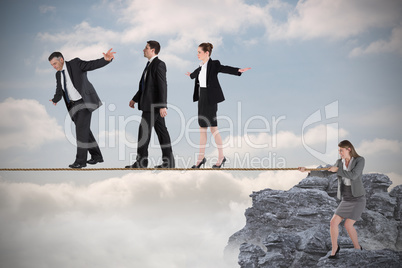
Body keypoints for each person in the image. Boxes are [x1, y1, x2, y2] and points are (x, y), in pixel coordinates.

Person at [185, 43, 251, 168]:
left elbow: (224, 68)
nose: (197, 54)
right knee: (202, 129)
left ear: (207, 53)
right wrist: (191, 75)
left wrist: (238, 70)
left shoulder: (214, 64)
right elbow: (195, 75)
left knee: (213, 129)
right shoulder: (200, 67)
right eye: (197, 52)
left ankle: (221, 157)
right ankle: (200, 158)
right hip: (201, 99)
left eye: (199, 52)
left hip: (211, 99)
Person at [49, 48, 116, 168]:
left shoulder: (75, 64)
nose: (53, 66)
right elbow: (59, 90)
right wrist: (55, 99)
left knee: (81, 132)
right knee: (85, 131)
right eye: (52, 65)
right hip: (73, 106)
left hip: (85, 102)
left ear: (61, 60)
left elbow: (91, 65)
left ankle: (80, 161)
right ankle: (97, 156)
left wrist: (105, 60)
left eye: (55, 63)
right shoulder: (58, 74)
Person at [298, 140, 366, 258]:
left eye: (341, 150)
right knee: (333, 222)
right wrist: (308, 171)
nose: (340, 153)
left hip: (358, 198)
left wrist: (338, 170)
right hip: (346, 198)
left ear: (349, 149)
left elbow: (354, 175)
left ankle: (357, 248)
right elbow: (325, 174)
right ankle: (335, 248)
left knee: (348, 225)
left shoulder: (360, 160)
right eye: (339, 151)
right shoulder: (339, 162)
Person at [126, 40, 175, 169]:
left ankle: (141, 162)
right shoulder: (149, 65)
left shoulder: (159, 64)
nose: (143, 50)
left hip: (153, 106)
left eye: (146, 48)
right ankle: (169, 162)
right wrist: (135, 99)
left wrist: (163, 105)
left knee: (143, 132)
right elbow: (145, 86)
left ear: (153, 50)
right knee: (162, 133)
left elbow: (162, 86)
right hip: (152, 105)